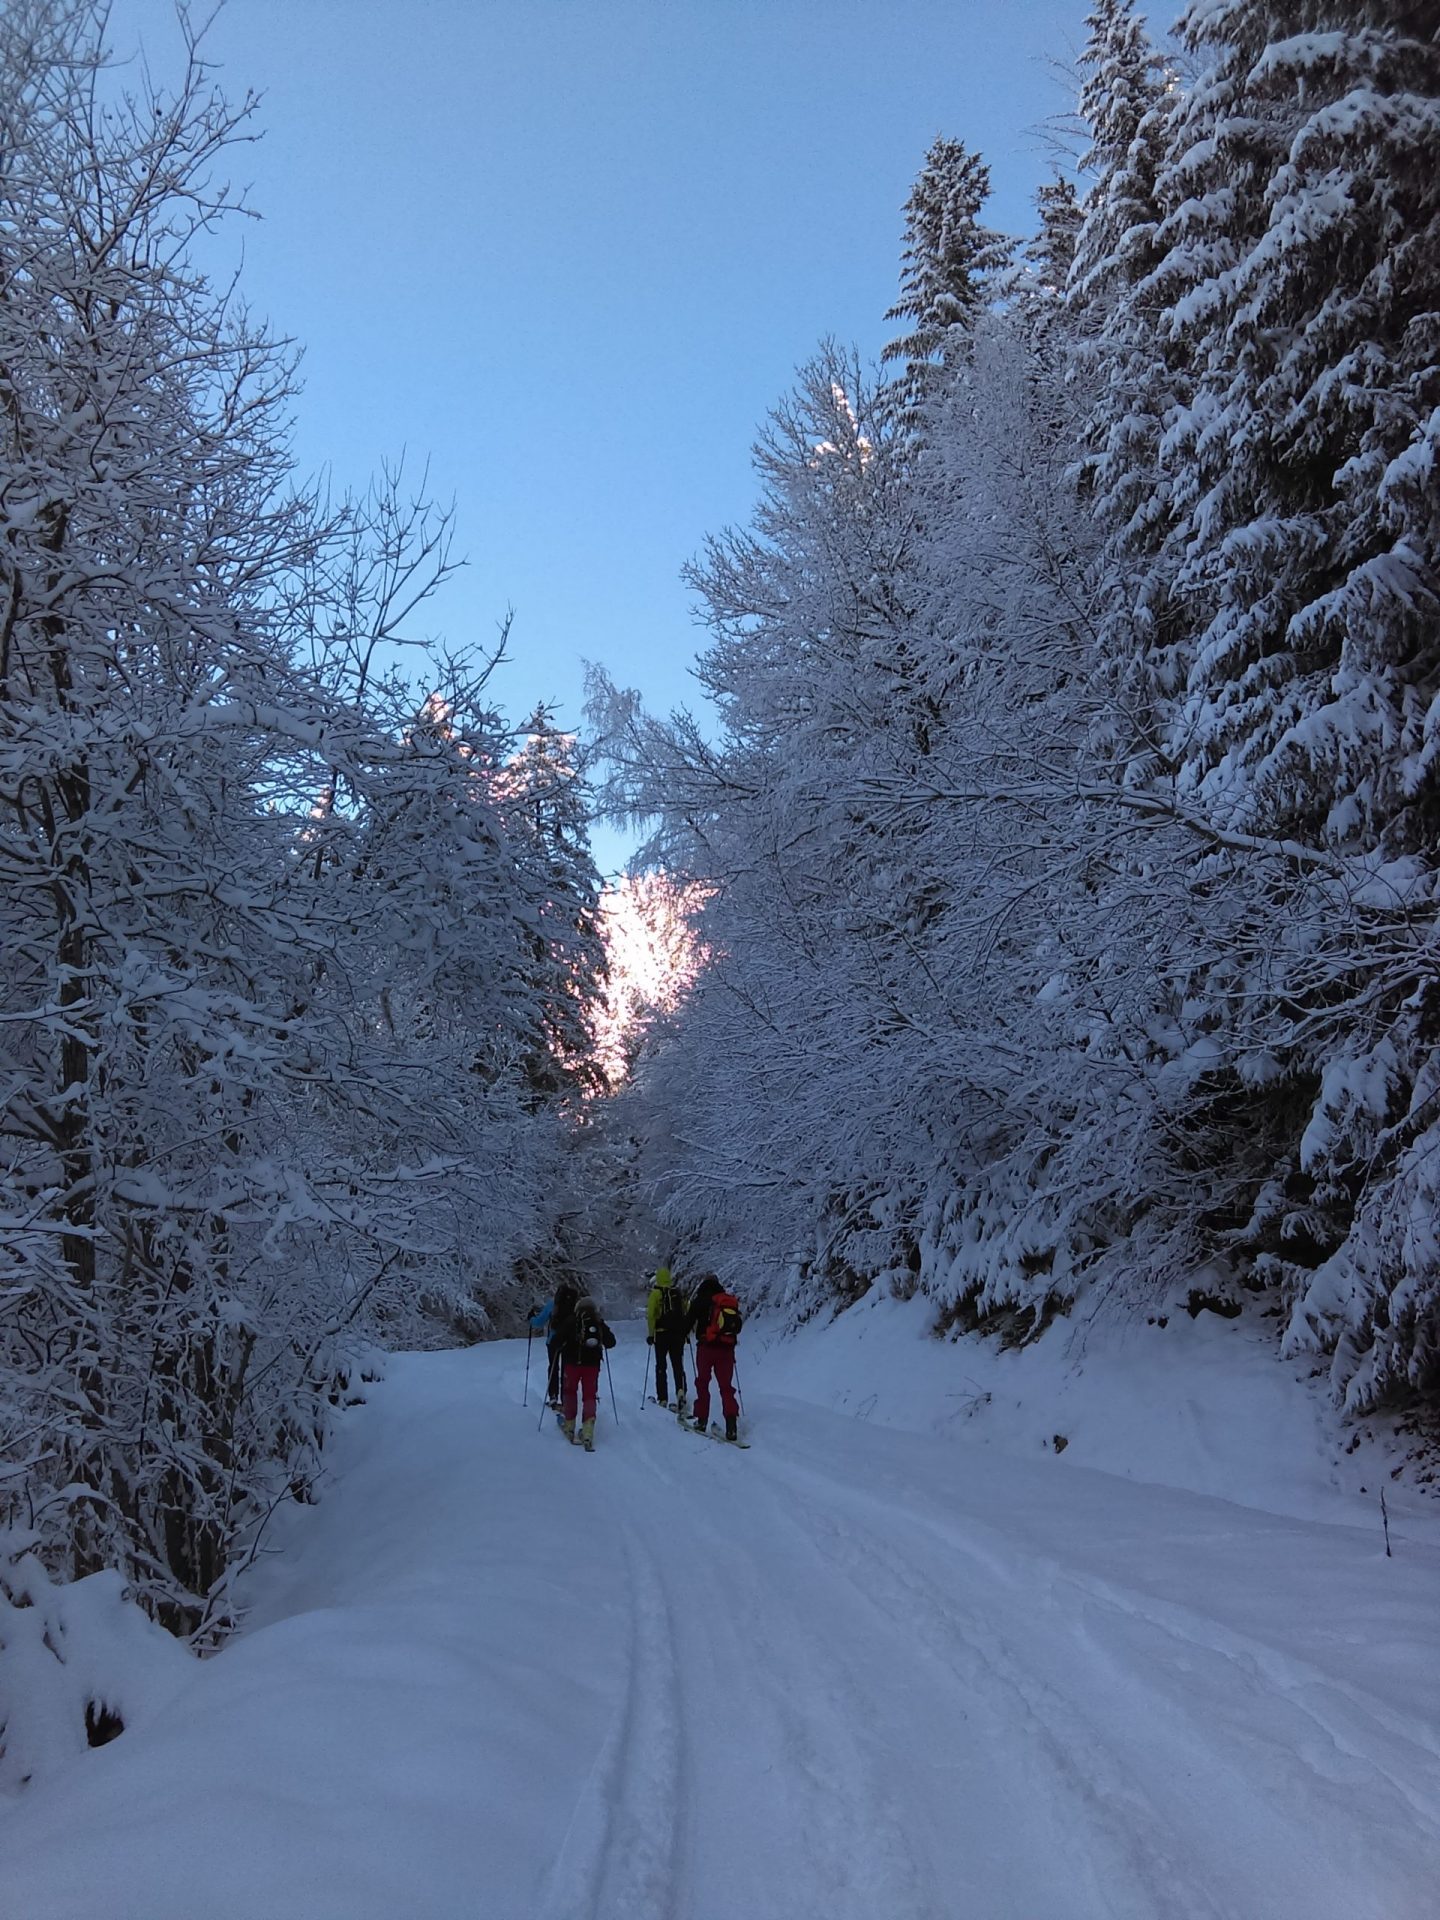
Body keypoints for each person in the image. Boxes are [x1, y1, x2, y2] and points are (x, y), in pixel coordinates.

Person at [551, 1291, 616, 1450]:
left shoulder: (571, 1320)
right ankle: (588, 1430)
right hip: (592, 1366)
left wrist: (563, 1346)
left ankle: (569, 1424)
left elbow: (555, 1341)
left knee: (570, 1392)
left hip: (571, 1364)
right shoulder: (598, 1322)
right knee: (589, 1395)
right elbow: (611, 1343)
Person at [685, 1273, 743, 1443]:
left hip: (706, 1348)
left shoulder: (700, 1300)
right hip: (726, 1350)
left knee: (702, 1383)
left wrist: (682, 1335)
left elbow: (687, 1322)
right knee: (726, 1387)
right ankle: (731, 1426)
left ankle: (702, 1420)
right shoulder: (726, 1301)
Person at [645, 1264, 689, 1411]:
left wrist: (651, 1334)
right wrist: (686, 1332)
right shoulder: (677, 1292)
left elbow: (651, 1315)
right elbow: (685, 1311)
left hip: (661, 1334)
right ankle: (681, 1391)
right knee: (677, 1364)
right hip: (677, 1335)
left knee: (661, 1366)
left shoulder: (656, 1294)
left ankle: (663, 1398)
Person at [531, 1277, 579, 1408]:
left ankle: (553, 1396)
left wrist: (531, 1319)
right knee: (566, 1369)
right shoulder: (575, 1306)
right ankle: (565, 1398)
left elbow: (539, 1322)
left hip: (553, 1341)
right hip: (569, 1342)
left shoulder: (552, 1304)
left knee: (553, 1367)